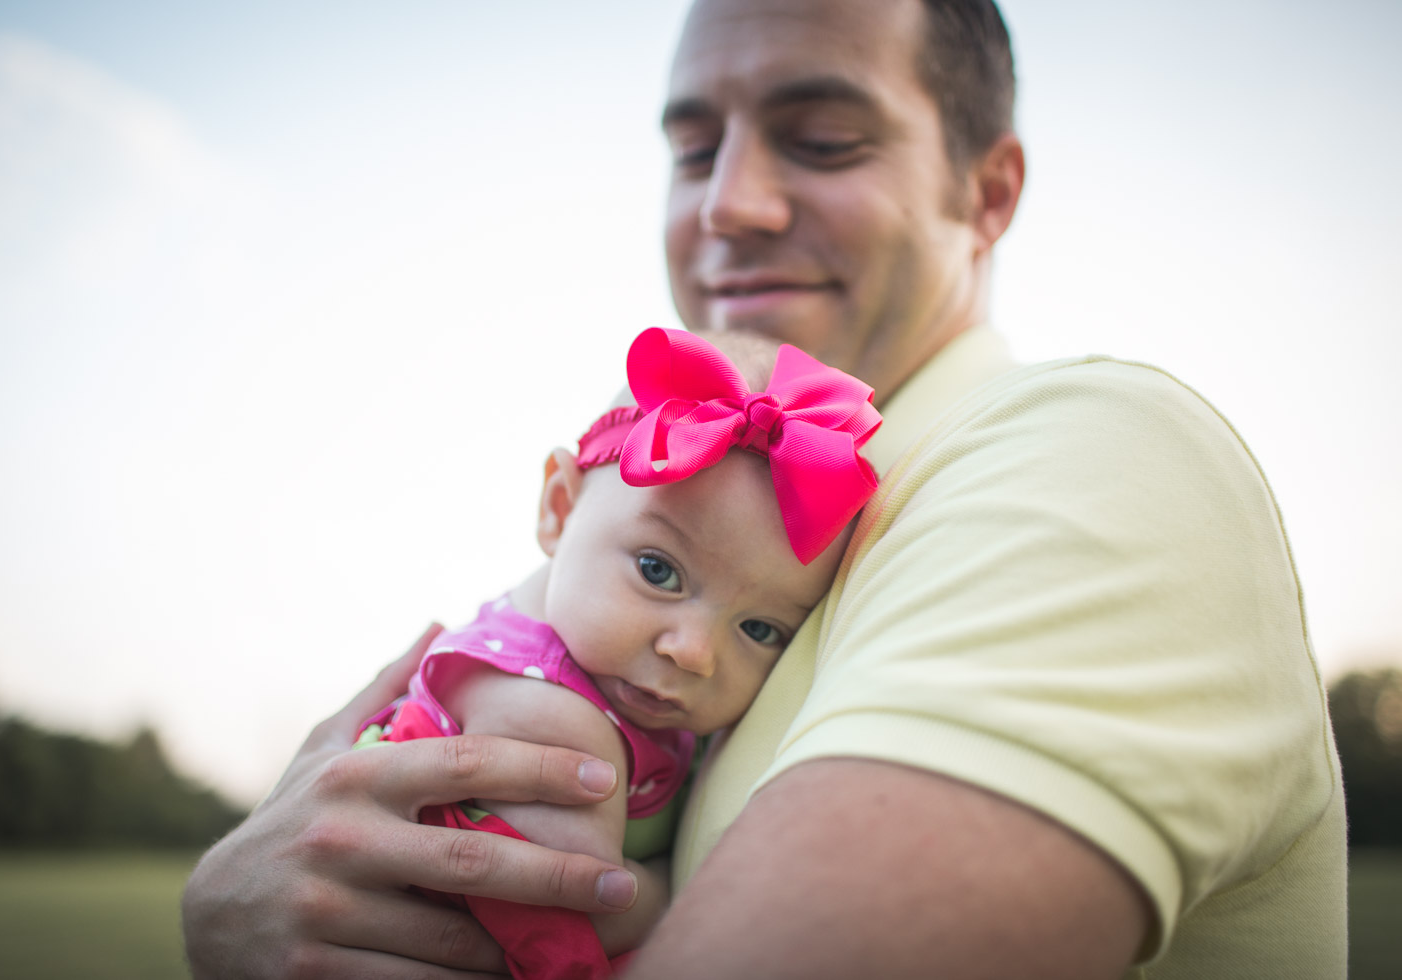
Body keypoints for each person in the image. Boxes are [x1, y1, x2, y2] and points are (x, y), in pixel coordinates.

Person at [182, 0, 1349, 976]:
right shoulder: (687, 514)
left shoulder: (1090, 461)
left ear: (987, 193)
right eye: (693, 151)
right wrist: (242, 902)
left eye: (825, 138)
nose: (726, 205)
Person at [353, 325, 879, 978]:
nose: (693, 652)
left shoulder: (612, 673)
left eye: (760, 629)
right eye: (659, 571)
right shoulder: (547, 713)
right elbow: (582, 912)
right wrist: (686, 881)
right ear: (559, 507)